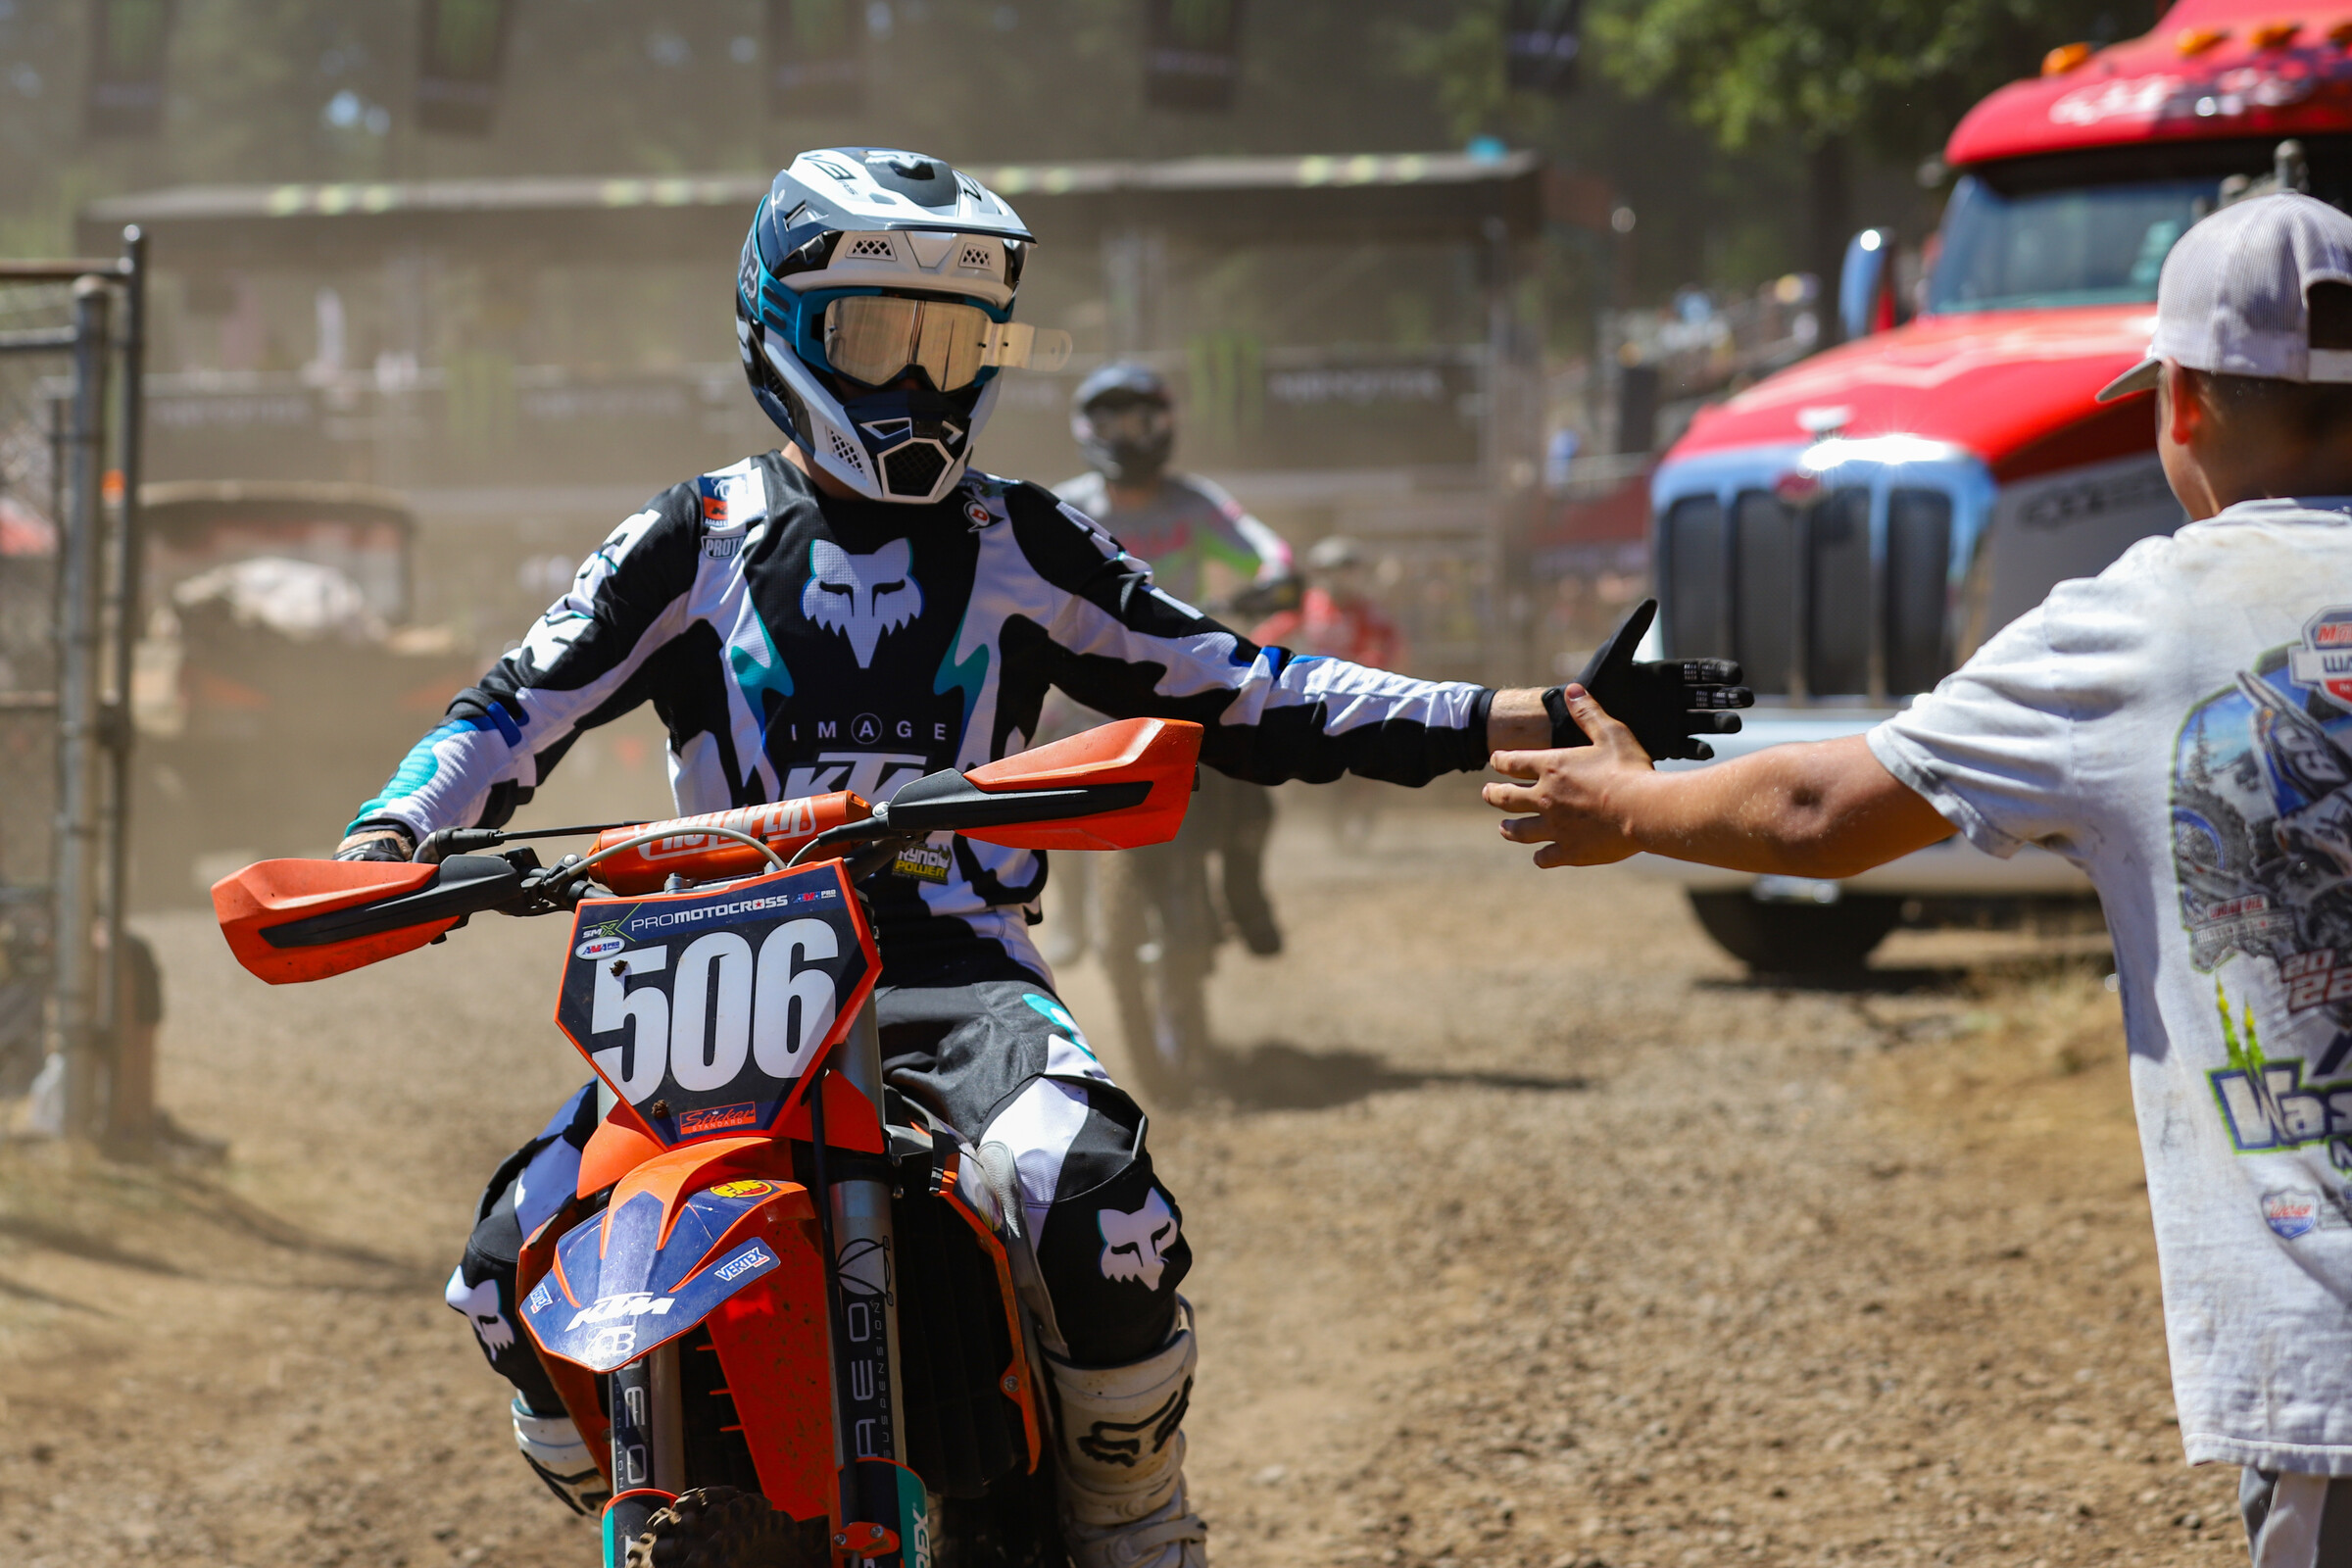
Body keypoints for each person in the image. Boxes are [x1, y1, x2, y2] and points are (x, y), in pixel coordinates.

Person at [331, 147, 1741, 1568]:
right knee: (508, 1272)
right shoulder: (688, 539)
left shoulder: (1024, 537)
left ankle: (1138, 1520)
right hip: (715, 980)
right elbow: (513, 706)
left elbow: (1241, 685)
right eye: (876, 337)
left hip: (951, 970)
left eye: (954, 343)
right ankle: (638, 1504)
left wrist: (1530, 712)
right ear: (776, 325)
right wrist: (395, 834)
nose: (916, 382)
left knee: (1097, 1205)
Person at [1481, 192, 2352, 1568]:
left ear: (2180, 406)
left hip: (2331, 1375)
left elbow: (1821, 813)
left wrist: (1633, 804)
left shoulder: (2149, 617)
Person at [1054, 364, 1294, 956]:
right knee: (1035, 762)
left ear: (1164, 425)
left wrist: (1276, 579)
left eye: (1139, 421)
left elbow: (1268, 553)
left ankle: (1244, 891)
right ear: (1087, 428)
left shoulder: (1194, 504)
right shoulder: (1063, 509)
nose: (1126, 437)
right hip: (1088, 678)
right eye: (1111, 421)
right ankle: (1069, 915)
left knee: (1254, 772)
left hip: (1185, 671)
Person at [1252, 537, 1406, 844]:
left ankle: (1361, 813)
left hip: (1357, 696)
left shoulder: (1366, 610)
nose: (1337, 578)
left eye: (1345, 569)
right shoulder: (1308, 605)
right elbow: (1268, 635)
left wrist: (1374, 668)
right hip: (1314, 695)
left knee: (1366, 759)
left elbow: (1390, 644)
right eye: (1330, 570)